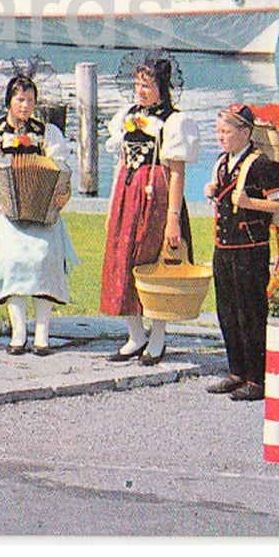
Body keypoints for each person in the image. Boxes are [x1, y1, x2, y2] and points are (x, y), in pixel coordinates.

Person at [0, 74, 76, 356]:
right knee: (12, 258)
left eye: (30, 100)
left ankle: (43, 333)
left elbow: (62, 173)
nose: (25, 106)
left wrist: (63, 194)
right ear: (9, 101)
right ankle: (18, 331)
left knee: (46, 255)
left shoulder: (47, 133)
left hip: (42, 210)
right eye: (20, 100)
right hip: (2, 211)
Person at [99, 51, 200, 364]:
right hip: (128, 195)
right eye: (137, 84)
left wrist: (173, 219)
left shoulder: (174, 121)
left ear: (162, 87)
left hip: (157, 195)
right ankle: (135, 335)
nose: (140, 91)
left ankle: (158, 337)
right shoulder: (126, 116)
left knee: (156, 263)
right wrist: (111, 206)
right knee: (122, 261)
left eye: (147, 85)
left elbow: (177, 171)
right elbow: (120, 162)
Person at [204, 104, 279, 402]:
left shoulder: (263, 165)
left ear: (245, 133)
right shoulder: (221, 162)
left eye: (226, 132)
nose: (221, 137)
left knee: (250, 313)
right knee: (227, 311)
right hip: (224, 248)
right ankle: (236, 371)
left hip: (250, 250)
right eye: (219, 132)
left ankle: (257, 377)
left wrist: (250, 203)